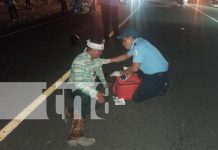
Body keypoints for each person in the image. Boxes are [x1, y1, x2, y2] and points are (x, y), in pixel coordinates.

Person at [67, 37, 110, 146]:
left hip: (88, 87)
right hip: (75, 88)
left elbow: (99, 72)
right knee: (83, 98)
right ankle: (76, 135)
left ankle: (72, 111)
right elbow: (78, 84)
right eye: (100, 51)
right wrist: (94, 93)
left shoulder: (94, 59)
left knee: (105, 97)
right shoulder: (79, 61)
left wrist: (105, 85)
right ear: (94, 50)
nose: (101, 53)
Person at [109, 28, 169, 103]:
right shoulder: (139, 41)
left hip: (157, 74)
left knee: (137, 98)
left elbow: (135, 68)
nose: (123, 43)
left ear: (130, 38)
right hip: (156, 69)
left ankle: (161, 86)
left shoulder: (138, 47)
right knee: (134, 71)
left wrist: (122, 73)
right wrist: (109, 60)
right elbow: (125, 56)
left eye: (124, 40)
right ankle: (154, 83)